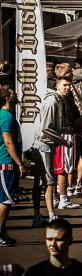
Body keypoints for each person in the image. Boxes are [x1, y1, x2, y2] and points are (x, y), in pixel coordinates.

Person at [32, 76, 75, 227]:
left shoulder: (59, 101)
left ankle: (38, 215)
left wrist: (71, 130)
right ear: (57, 86)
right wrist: (63, 141)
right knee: (49, 182)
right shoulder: (52, 102)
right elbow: (45, 128)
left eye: (69, 85)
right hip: (43, 145)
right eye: (65, 85)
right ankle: (51, 216)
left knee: (41, 182)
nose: (68, 88)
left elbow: (54, 127)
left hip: (47, 145)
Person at [0, 85, 24, 246]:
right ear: (8, 98)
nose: (16, 94)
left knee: (7, 200)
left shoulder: (7, 115)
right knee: (6, 201)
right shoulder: (6, 117)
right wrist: (20, 163)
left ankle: (2, 231)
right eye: (13, 93)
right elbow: (8, 142)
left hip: (8, 164)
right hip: (6, 164)